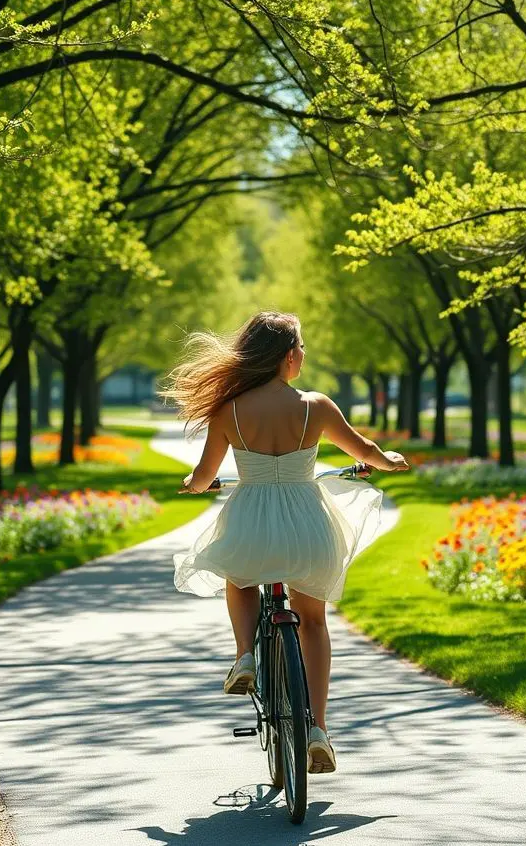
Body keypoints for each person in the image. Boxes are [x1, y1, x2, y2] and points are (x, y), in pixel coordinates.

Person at [162, 311, 407, 775]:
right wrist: (389, 461)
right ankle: (317, 729)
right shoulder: (316, 406)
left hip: (251, 519)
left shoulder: (229, 409)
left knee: (240, 577)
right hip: (307, 526)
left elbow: (204, 475)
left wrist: (194, 485)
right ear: (288, 355)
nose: (304, 355)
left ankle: (245, 655)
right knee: (312, 621)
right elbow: (364, 452)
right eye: (302, 347)